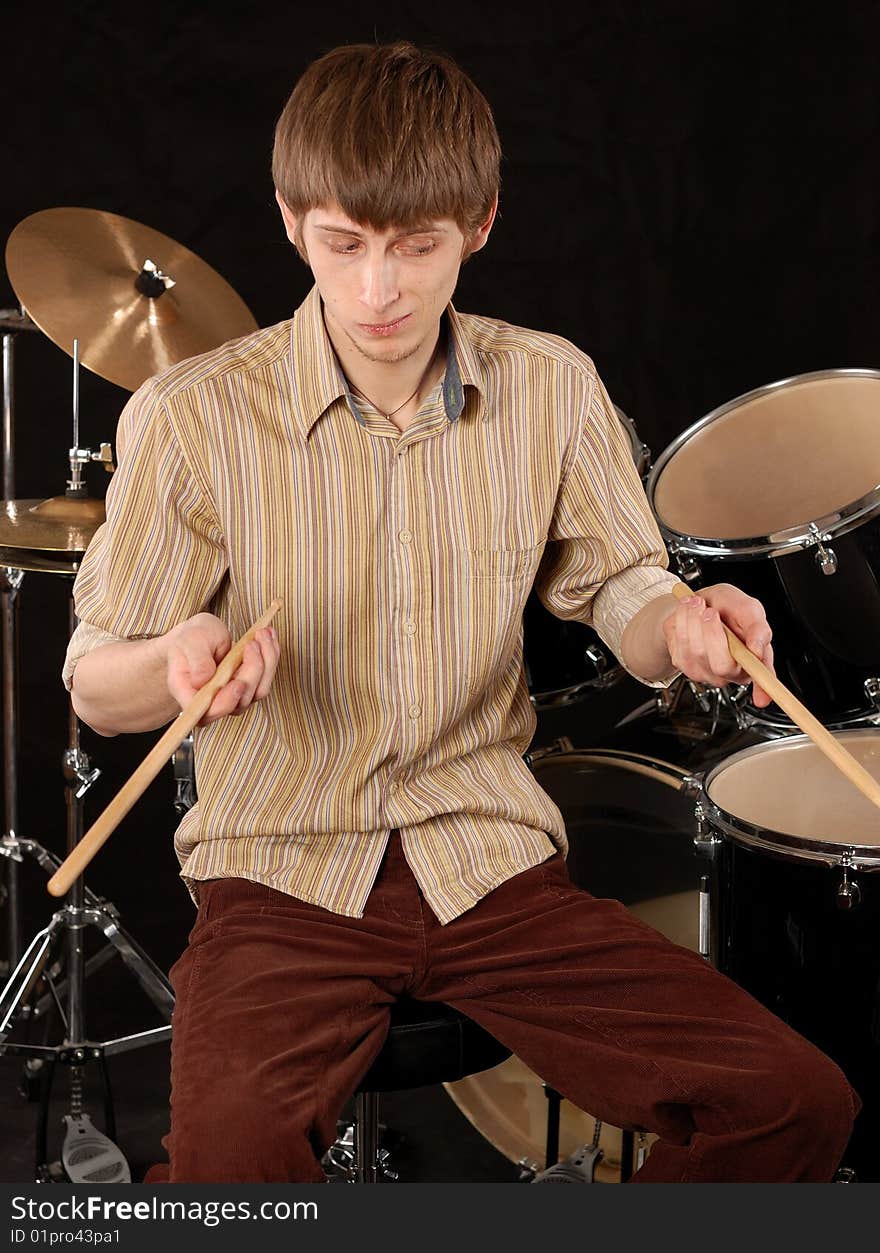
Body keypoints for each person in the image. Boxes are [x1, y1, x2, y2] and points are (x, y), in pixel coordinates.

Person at [63, 40, 857, 1183]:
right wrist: (173, 664)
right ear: (291, 220)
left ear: (478, 222)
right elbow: (94, 681)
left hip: (490, 864)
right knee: (229, 1186)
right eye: (342, 245)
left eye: (416, 246)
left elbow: (622, 588)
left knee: (793, 1103)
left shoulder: (551, 385)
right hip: (280, 875)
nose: (377, 289)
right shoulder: (192, 417)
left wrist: (681, 624)